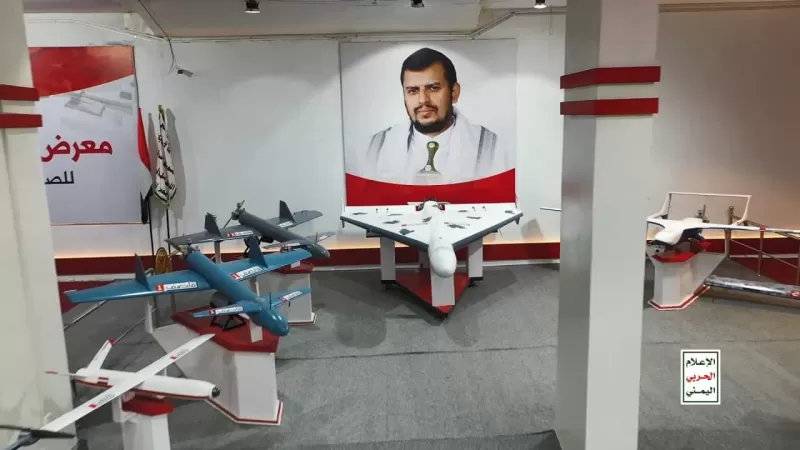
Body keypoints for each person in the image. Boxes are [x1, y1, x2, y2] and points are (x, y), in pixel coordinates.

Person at [346, 47, 513, 185]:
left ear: (454, 92)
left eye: (433, 88)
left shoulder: (494, 149)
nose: (423, 100)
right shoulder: (370, 150)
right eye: (413, 91)